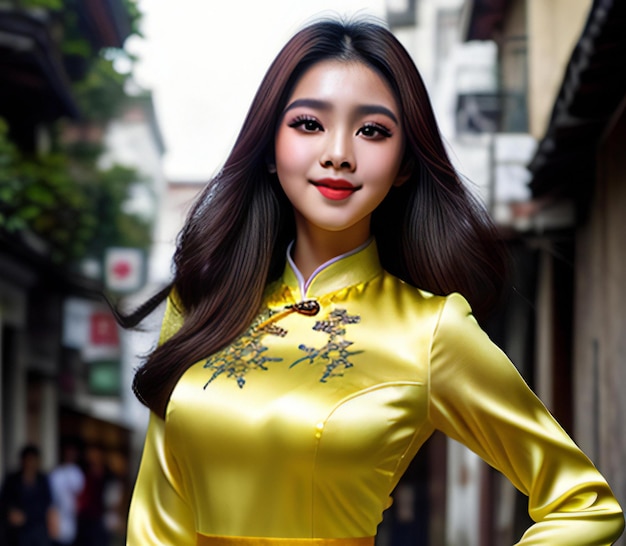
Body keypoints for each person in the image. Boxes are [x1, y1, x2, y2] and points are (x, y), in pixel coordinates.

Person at [124, 18, 624, 545]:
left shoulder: (431, 330)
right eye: (309, 124)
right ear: (270, 148)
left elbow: (585, 507)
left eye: (373, 131)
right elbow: (157, 518)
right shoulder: (204, 298)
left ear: (404, 163)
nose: (339, 152)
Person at [0, 444, 54, 546]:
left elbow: (47, 503)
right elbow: (4, 501)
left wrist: (28, 516)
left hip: (38, 529)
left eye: (33, 460)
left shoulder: (42, 480)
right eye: (27, 460)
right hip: (17, 532)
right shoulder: (12, 480)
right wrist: (10, 512)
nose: (30, 464)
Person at [49, 439, 85, 546]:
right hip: (57, 517)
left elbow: (80, 496)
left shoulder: (77, 473)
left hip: (72, 519)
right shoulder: (56, 474)